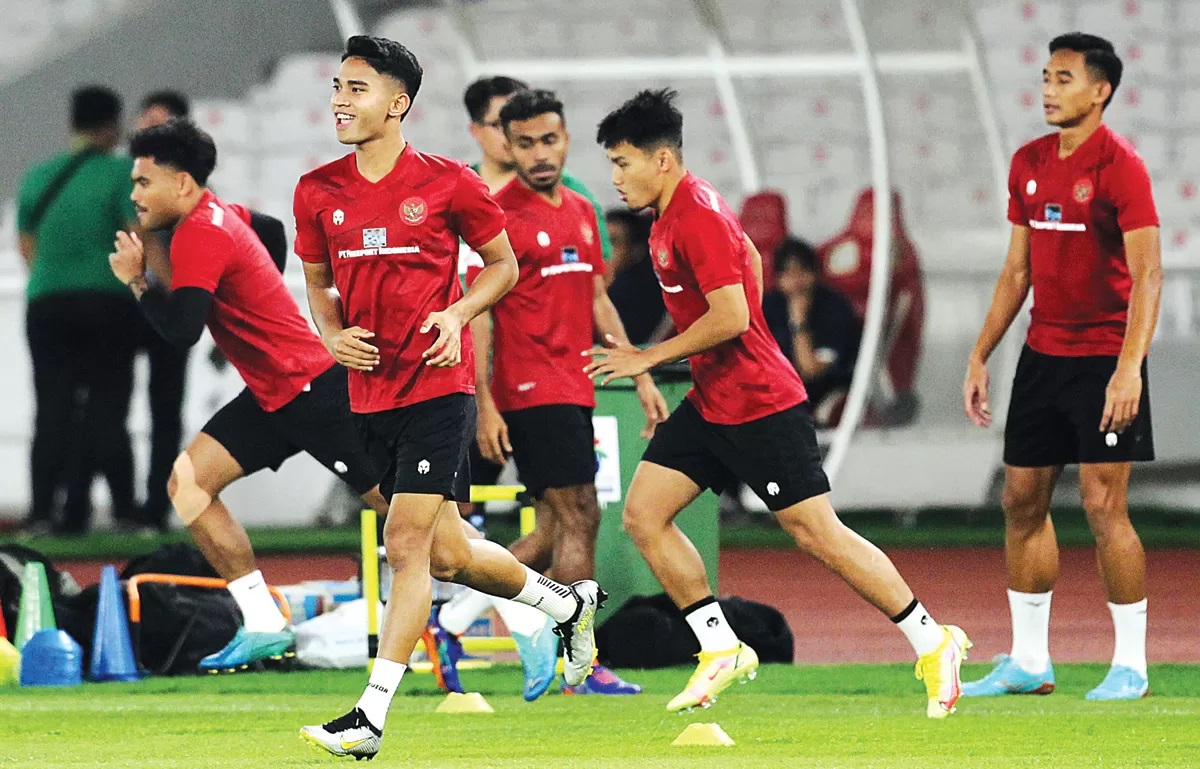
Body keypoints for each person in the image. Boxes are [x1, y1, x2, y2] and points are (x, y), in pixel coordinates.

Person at [587, 89, 970, 718]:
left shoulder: (697, 216)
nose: (617, 177)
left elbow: (735, 314)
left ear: (662, 159)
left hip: (761, 402)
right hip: (715, 400)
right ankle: (720, 648)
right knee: (644, 514)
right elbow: (751, 278)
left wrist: (648, 358)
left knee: (817, 533)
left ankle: (933, 642)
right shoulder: (674, 215)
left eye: (624, 162)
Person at [294, 36, 604, 760]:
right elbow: (316, 282)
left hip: (440, 387)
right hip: (370, 395)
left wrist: (458, 315)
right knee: (451, 552)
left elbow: (504, 264)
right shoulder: (317, 191)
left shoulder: (449, 184)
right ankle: (566, 603)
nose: (341, 99)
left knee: (404, 544)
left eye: (358, 87)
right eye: (338, 85)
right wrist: (333, 334)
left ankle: (369, 718)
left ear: (398, 103)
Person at [108, 118, 391, 672]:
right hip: (272, 397)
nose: (134, 196)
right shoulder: (223, 215)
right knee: (188, 485)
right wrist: (256, 292)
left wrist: (137, 280)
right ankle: (263, 621)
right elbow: (270, 231)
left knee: (411, 515)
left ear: (184, 184)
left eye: (144, 182)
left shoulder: (200, 232)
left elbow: (183, 330)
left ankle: (531, 609)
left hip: (313, 393)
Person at [436, 89, 667, 700]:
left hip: (575, 383)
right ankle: (579, 664)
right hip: (528, 388)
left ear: (566, 139)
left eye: (551, 139)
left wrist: (640, 371)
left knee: (555, 526)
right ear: (505, 147)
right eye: (527, 143)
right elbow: (477, 314)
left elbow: (595, 298)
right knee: (579, 516)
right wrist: (484, 401)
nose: (541, 153)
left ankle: (453, 621)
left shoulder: (581, 210)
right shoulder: (496, 213)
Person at [962, 33, 1161, 701]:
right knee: (1021, 502)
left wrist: (1129, 368)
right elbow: (1016, 271)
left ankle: (1130, 664)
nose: (1049, 89)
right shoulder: (1027, 163)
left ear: (1100, 90)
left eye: (1065, 78)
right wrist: (980, 353)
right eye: (1046, 76)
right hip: (1041, 357)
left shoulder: (1121, 167)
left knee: (1106, 506)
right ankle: (1028, 659)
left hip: (1105, 358)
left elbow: (1148, 276)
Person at [17, 85, 141, 535]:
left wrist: (59, 277)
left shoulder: (37, 176)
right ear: (112, 124)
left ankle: (43, 514)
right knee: (108, 408)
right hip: (108, 303)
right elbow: (134, 236)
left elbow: (26, 246)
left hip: (46, 304)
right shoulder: (121, 173)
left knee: (52, 410)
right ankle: (125, 511)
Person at [128, 90, 193, 530]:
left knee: (166, 408)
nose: (149, 132)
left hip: (164, 303)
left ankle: (154, 507)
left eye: (160, 125)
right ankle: (120, 503)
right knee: (105, 404)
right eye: (145, 122)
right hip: (127, 303)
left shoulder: (191, 186)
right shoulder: (121, 179)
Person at [762, 236, 861, 427]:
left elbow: (811, 370)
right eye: (788, 274)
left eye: (802, 272)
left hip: (824, 392)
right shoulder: (770, 305)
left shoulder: (834, 309)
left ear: (815, 274)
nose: (796, 281)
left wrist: (798, 322)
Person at [605, 208, 669, 346]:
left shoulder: (630, 295)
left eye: (613, 242)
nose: (603, 251)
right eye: (600, 241)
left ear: (636, 252)